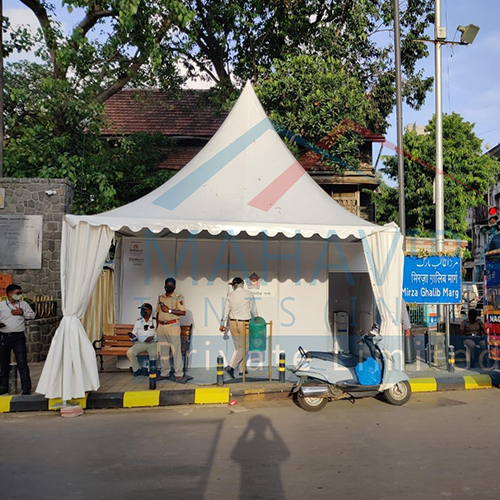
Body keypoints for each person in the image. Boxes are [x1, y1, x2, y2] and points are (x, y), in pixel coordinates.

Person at [220, 277, 259, 379]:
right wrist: (257, 320)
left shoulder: (230, 295)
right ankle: (231, 367)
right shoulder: (249, 294)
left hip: (232, 323)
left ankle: (242, 370)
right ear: (242, 284)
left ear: (234, 285)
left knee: (238, 348)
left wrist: (222, 323)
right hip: (244, 323)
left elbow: (225, 311)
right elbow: (254, 310)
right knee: (245, 346)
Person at [0, 284, 35, 395]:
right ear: (10, 294)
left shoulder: (23, 304)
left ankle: (26, 388)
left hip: (18, 337)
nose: (19, 295)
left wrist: (22, 313)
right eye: (17, 293)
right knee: (3, 363)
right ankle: (3, 386)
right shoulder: (1, 305)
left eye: (20, 293)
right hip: (4, 336)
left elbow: (32, 315)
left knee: (22, 362)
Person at [156, 277, 186, 381]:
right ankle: (165, 372)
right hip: (161, 326)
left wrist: (169, 311)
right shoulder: (161, 298)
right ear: (164, 285)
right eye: (166, 285)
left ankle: (178, 373)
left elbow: (183, 312)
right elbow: (158, 312)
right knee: (163, 350)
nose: (168, 287)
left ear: (174, 286)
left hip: (172, 326)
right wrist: (157, 327)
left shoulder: (178, 297)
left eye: (170, 285)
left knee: (175, 350)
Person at [126, 303, 158, 377]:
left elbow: (159, 334)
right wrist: (132, 336)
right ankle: (137, 370)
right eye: (141, 310)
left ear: (149, 311)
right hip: (140, 343)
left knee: (153, 354)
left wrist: (153, 338)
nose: (142, 312)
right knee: (129, 352)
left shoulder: (155, 322)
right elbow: (134, 336)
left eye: (144, 310)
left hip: (152, 343)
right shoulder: (138, 322)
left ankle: (151, 371)